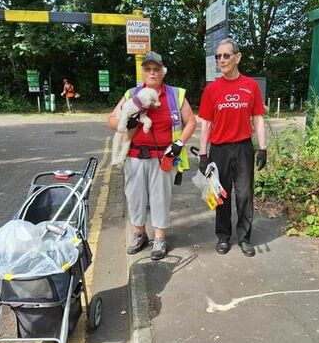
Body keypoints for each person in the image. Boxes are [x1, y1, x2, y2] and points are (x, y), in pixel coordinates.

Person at [107, 51, 196, 260]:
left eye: (156, 69)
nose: (152, 73)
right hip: (136, 156)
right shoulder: (131, 95)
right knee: (135, 197)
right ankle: (139, 235)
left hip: (163, 157)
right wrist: (125, 123)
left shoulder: (176, 95)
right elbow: (111, 119)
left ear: (163, 72)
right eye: (148, 69)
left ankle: (159, 238)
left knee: (160, 198)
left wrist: (179, 143)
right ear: (143, 72)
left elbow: (191, 121)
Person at [198, 38, 267, 257]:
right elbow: (206, 124)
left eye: (226, 55)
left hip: (244, 147)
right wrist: (202, 154)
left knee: (245, 194)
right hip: (219, 149)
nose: (221, 60)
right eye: (218, 56)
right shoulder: (211, 90)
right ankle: (223, 237)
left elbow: (258, 118)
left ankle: (244, 237)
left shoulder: (251, 86)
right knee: (222, 195)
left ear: (237, 57)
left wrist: (263, 147)